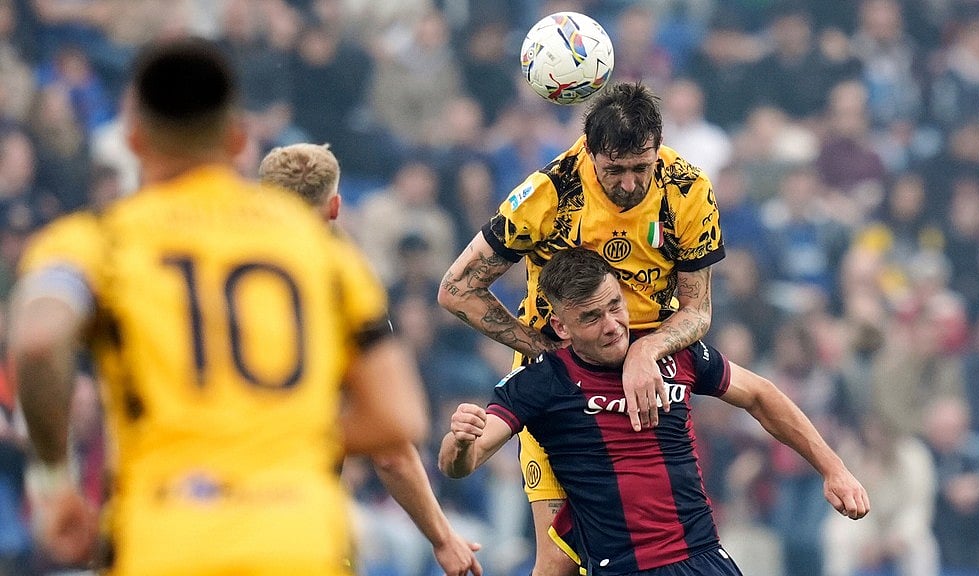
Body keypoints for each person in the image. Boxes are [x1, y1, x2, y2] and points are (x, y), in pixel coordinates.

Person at [7, 38, 428, 576]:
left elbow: (39, 340)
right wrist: (273, 436)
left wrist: (53, 482)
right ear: (236, 141)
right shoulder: (321, 250)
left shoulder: (99, 241)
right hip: (298, 540)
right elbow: (399, 416)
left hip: (166, 537)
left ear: (134, 140)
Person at [438, 247, 870, 575]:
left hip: (704, 558)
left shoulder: (670, 351)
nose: (612, 325)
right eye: (591, 317)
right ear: (561, 327)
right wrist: (459, 442)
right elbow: (462, 463)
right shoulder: (539, 383)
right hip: (625, 566)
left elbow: (760, 394)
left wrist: (833, 468)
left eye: (614, 306)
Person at [437, 82, 724, 574]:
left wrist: (644, 352)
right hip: (560, 389)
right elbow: (456, 288)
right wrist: (548, 352)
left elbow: (697, 311)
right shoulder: (548, 193)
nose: (630, 184)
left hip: (650, 377)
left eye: (642, 168)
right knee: (557, 560)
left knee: (657, 543)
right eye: (615, 170)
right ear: (589, 153)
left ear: (658, 148)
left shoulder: (687, 188)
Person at [258, 142, 482, 576]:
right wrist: (443, 537)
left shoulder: (200, 283)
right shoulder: (345, 292)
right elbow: (391, 448)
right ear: (335, 206)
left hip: (191, 528)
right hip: (296, 533)